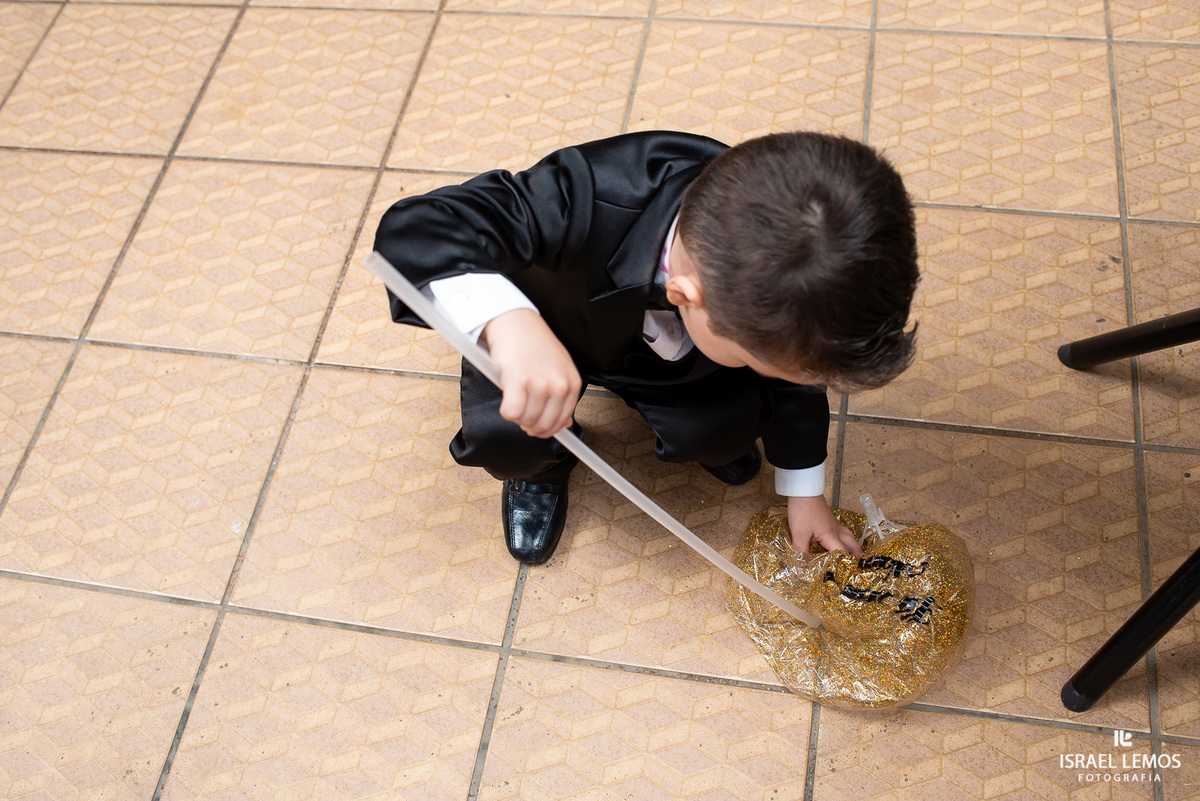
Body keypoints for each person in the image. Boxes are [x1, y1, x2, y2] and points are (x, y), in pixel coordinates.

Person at [374, 130, 919, 565]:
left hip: (673, 362)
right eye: (761, 360)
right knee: (503, 435)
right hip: (546, 331)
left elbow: (793, 372)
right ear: (688, 296)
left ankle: (685, 423)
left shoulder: (786, 281)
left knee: (718, 427)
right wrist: (509, 321)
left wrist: (805, 491)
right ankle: (540, 472)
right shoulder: (584, 193)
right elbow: (417, 227)